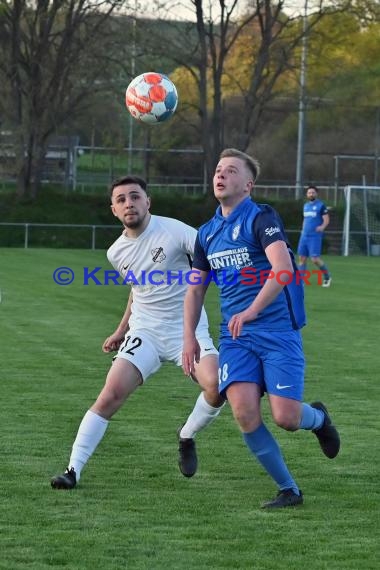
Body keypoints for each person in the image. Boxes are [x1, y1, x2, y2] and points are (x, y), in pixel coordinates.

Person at [182, 148, 340, 509]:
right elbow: (195, 288)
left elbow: (282, 269)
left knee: (286, 417)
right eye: (218, 170)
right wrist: (188, 336)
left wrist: (252, 310)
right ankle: (289, 489)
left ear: (248, 185)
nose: (221, 175)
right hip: (236, 337)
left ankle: (318, 419)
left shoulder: (261, 217)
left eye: (231, 171)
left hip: (277, 331)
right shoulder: (206, 233)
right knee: (243, 412)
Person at [51, 175, 224, 490]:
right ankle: (72, 470)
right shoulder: (116, 252)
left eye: (134, 196)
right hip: (145, 331)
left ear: (148, 202)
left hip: (187, 328)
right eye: (121, 199)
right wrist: (121, 330)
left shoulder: (175, 231)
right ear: (114, 210)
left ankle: (186, 435)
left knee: (216, 386)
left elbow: (210, 259)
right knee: (111, 393)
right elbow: (138, 290)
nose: (128, 203)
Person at [297, 185, 332, 287]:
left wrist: (322, 227)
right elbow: (305, 219)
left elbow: (326, 219)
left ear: (316, 194)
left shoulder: (321, 206)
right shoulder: (306, 206)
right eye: (309, 193)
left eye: (313, 192)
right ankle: (301, 281)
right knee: (302, 258)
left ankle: (327, 277)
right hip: (304, 236)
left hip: (314, 236)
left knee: (315, 259)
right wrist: (302, 230)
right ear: (307, 194)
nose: (311, 194)